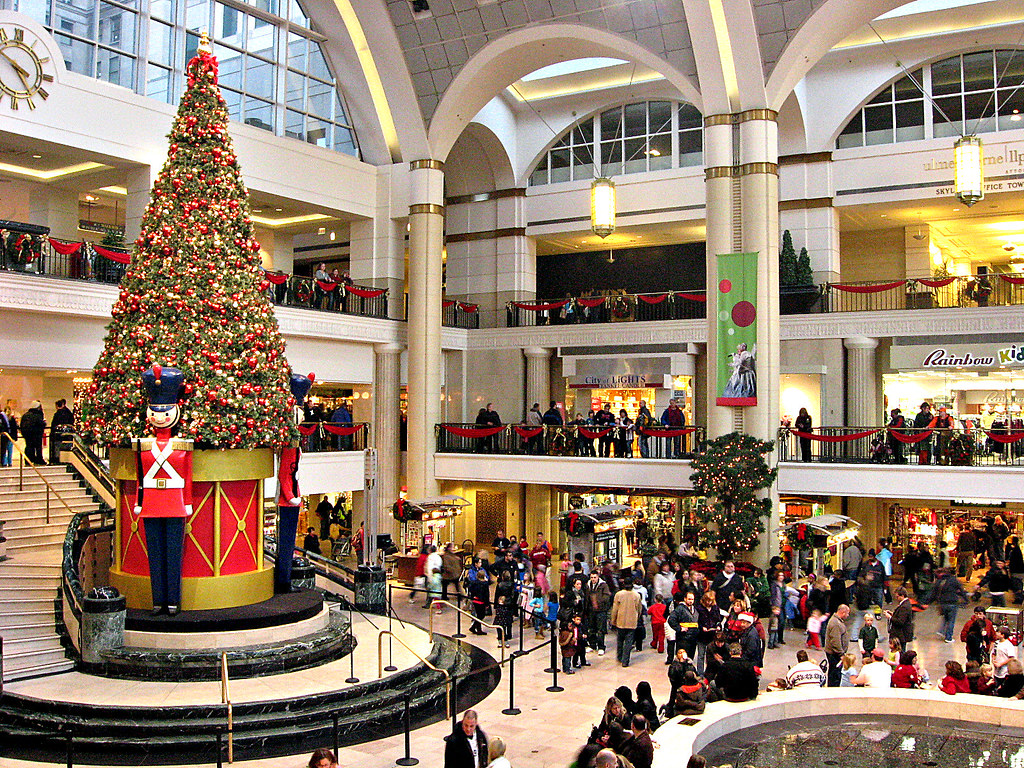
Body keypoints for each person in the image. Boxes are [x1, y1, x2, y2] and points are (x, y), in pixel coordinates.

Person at [921, 567, 968, 643]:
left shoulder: (939, 582)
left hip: (942, 603)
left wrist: (927, 602)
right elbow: (961, 591)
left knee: (946, 618)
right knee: (951, 620)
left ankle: (942, 631)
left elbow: (933, 593)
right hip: (952, 603)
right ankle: (948, 637)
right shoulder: (954, 580)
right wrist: (966, 600)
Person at [610, 577, 642, 667]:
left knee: (620, 640)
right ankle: (625, 661)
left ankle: (619, 657)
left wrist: (613, 621)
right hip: (632, 622)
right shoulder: (636, 595)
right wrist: (637, 617)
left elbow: (615, 609)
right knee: (629, 642)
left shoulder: (619, 595)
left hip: (620, 621)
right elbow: (639, 609)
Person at [824, 604, 850, 687]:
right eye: (847, 613)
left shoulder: (837, 621)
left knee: (835, 673)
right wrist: (841, 654)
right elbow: (835, 641)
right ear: (843, 612)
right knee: (835, 675)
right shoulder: (836, 623)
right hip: (834, 654)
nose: (848, 615)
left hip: (836, 654)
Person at [20, 400, 45, 465]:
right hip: (37, 435)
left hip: (27, 435)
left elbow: (22, 425)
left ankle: (28, 460)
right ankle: (39, 460)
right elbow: (41, 424)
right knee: (38, 447)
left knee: (28, 447)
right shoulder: (37, 415)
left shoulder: (25, 415)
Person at [48, 397, 74, 463]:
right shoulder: (69, 413)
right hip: (68, 435)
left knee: (57, 447)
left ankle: (56, 459)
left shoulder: (58, 414)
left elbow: (54, 424)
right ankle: (66, 459)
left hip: (58, 435)